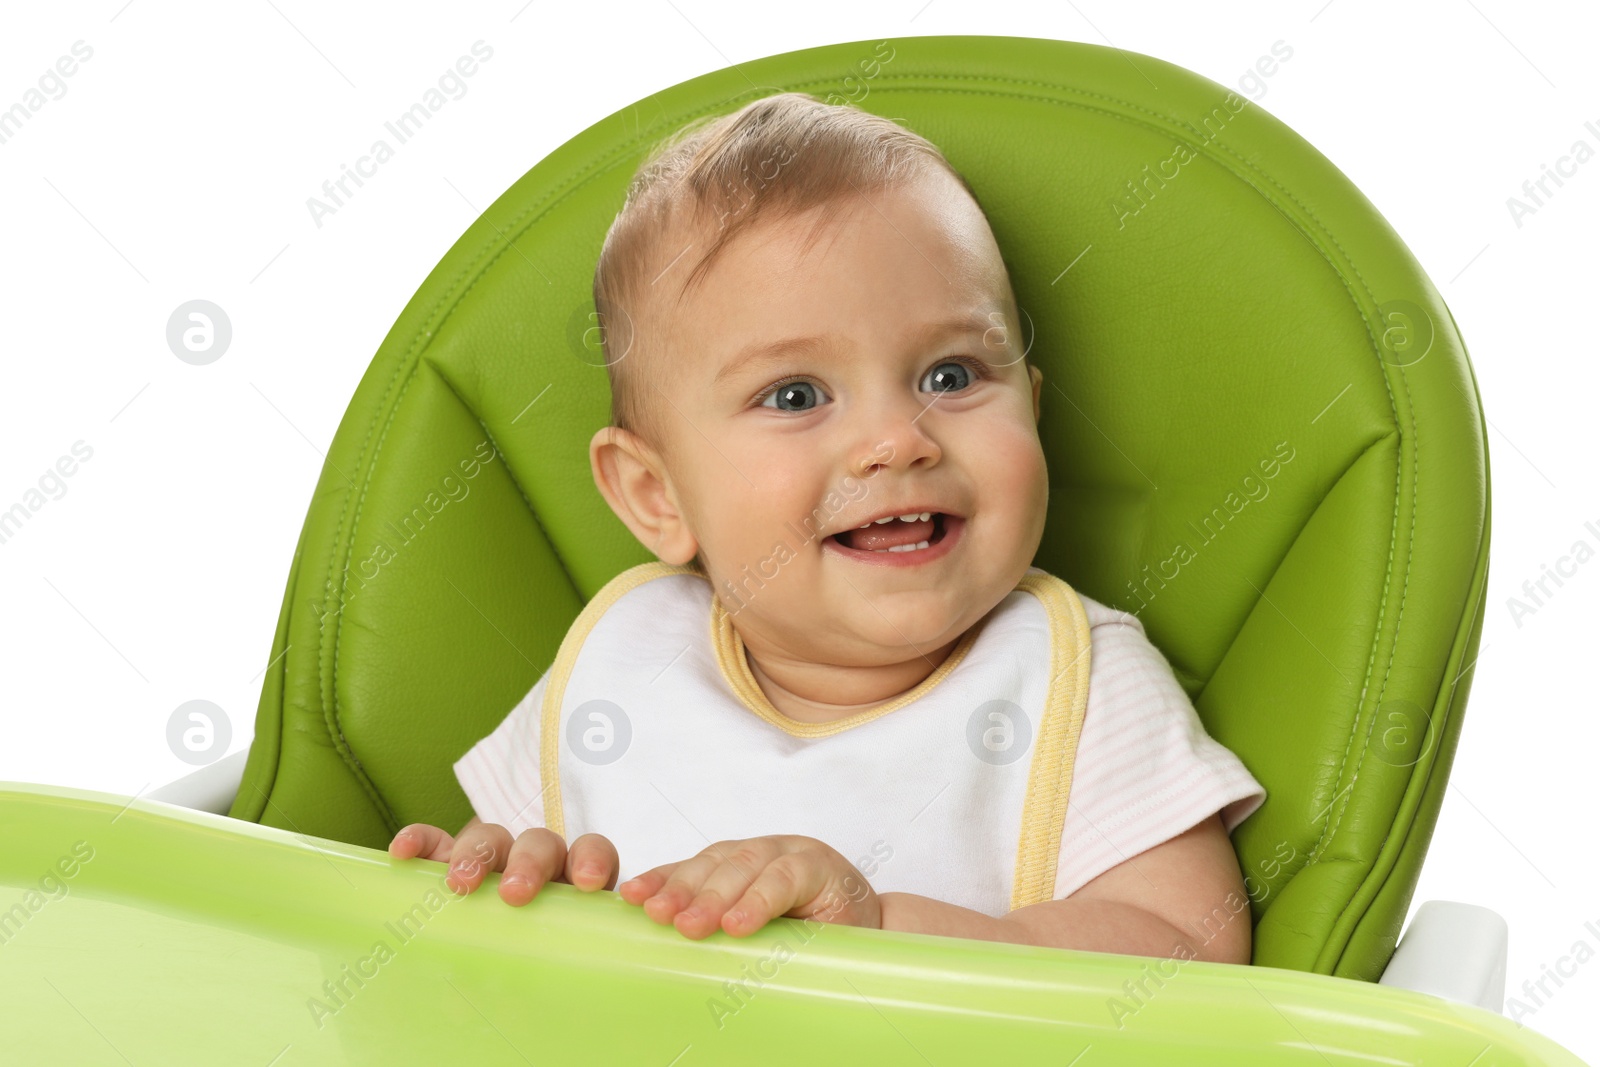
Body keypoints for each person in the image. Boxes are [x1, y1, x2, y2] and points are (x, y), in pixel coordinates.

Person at [389, 91, 1265, 963]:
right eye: (796, 395)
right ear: (657, 496)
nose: (896, 441)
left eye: (952, 375)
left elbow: (1194, 948)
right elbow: (495, 915)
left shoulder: (1079, 679)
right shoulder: (618, 667)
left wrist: (885, 926)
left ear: (1031, 411)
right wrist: (490, 891)